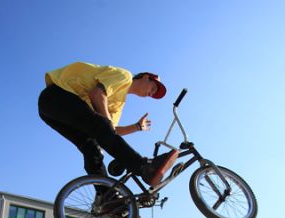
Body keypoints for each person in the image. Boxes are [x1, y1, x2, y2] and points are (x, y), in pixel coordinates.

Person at [38, 62, 179, 190]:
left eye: (153, 94)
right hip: (56, 96)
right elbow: (97, 94)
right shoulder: (124, 76)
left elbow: (112, 131)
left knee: (92, 147)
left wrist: (136, 127)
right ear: (146, 77)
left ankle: (105, 198)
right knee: (101, 126)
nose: (152, 94)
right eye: (154, 88)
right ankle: (144, 167)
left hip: (52, 113)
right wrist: (107, 126)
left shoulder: (119, 105)